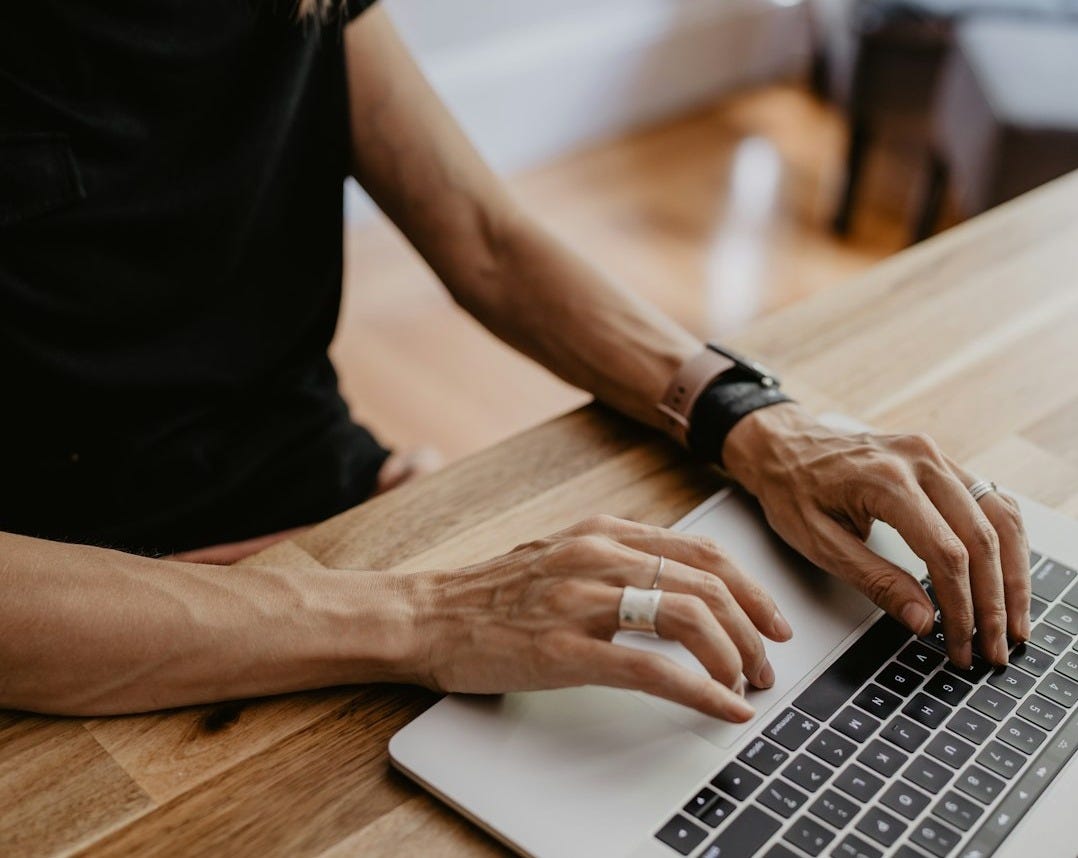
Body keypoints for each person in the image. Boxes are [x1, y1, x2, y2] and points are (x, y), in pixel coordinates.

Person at [0, 1, 1030, 720]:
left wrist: (748, 416)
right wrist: (423, 614)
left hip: (327, 504)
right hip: (78, 612)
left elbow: (482, 234)